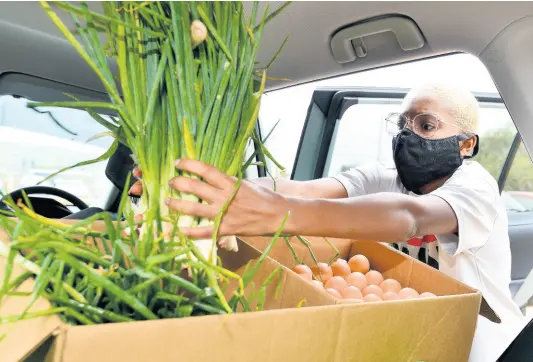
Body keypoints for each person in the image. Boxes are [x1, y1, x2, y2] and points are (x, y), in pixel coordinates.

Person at [129, 82, 526, 361]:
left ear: (467, 143)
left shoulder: (474, 187)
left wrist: (276, 214)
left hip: (486, 348)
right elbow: (302, 190)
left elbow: (410, 217)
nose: (408, 135)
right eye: (403, 124)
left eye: (426, 125)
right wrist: (210, 185)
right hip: (420, 335)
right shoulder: (386, 175)